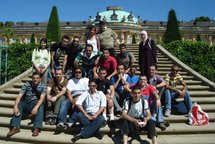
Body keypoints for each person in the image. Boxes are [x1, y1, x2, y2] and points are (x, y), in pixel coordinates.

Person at [7, 72, 46, 137]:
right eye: (34, 78)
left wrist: (36, 107)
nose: (35, 79)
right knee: (20, 103)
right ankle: (15, 127)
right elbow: (19, 95)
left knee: (41, 105)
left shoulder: (43, 87)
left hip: (36, 104)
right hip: (27, 103)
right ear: (32, 78)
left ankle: (36, 128)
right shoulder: (27, 84)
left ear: (40, 79)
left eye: (37, 78)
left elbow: (42, 98)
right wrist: (15, 107)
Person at [147, 65, 170, 131]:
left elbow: (164, 83)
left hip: (155, 98)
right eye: (150, 70)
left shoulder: (157, 77)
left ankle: (160, 121)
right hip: (148, 100)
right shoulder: (146, 78)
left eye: (153, 70)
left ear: (155, 71)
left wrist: (155, 87)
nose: (151, 71)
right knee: (158, 101)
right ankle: (160, 121)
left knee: (164, 91)